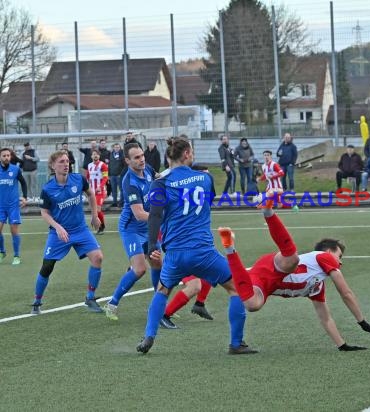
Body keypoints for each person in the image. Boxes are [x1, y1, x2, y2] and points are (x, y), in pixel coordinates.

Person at [136, 137, 256, 355]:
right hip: (204, 253)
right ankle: (236, 343)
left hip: (175, 255)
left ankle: (148, 336)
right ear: (186, 155)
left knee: (162, 290)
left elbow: (154, 215)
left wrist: (152, 244)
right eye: (191, 152)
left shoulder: (160, 182)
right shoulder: (205, 178)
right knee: (236, 288)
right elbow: (207, 203)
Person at [218, 198, 370, 351]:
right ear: (329, 251)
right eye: (339, 256)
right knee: (292, 259)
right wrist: (361, 321)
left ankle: (229, 247)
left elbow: (325, 318)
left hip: (263, 280)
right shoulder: (325, 257)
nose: (340, 262)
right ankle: (268, 211)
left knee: (252, 305)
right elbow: (346, 293)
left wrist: (342, 345)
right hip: (274, 266)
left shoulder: (316, 285)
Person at [30, 150, 104, 315]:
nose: (66, 164)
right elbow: (44, 212)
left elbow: (91, 194)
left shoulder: (78, 179)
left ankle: (90, 298)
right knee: (47, 267)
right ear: (53, 166)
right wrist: (57, 227)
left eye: (67, 161)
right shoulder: (48, 189)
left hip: (80, 229)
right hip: (59, 233)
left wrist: (94, 215)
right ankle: (37, 300)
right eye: (62, 162)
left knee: (98, 258)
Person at [103, 143, 161, 321]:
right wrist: (163, 217)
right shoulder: (129, 182)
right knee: (139, 269)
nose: (142, 159)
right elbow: (139, 214)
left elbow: (160, 179)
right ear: (127, 161)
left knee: (158, 263)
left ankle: (158, 306)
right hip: (132, 229)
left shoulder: (148, 169)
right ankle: (112, 303)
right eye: (136, 157)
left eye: (142, 155)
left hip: (148, 227)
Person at [0, 148, 27, 265]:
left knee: (14, 231)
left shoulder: (15, 169)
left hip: (13, 206)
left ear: (10, 157)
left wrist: (25, 197)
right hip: (0, 206)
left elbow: (23, 183)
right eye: (4, 155)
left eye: (8, 155)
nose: (6, 157)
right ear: (0, 157)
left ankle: (16, 256)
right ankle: (2, 251)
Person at [86, 149, 109, 235]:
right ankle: (98, 225)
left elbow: (105, 177)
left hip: (100, 191)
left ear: (99, 156)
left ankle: (102, 226)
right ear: (91, 156)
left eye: (97, 154)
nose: (95, 156)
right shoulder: (89, 165)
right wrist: (86, 189)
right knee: (94, 210)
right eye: (93, 154)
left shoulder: (103, 165)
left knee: (98, 209)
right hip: (91, 192)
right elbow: (87, 177)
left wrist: (100, 186)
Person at [108, 143, 125, 207]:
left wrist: (121, 174)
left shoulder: (122, 155)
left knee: (121, 189)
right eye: (115, 147)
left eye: (118, 147)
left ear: (120, 148)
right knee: (113, 189)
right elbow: (109, 165)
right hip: (112, 175)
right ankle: (114, 202)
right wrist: (109, 174)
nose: (116, 148)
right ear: (113, 148)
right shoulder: (111, 154)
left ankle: (121, 202)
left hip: (119, 175)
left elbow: (125, 166)